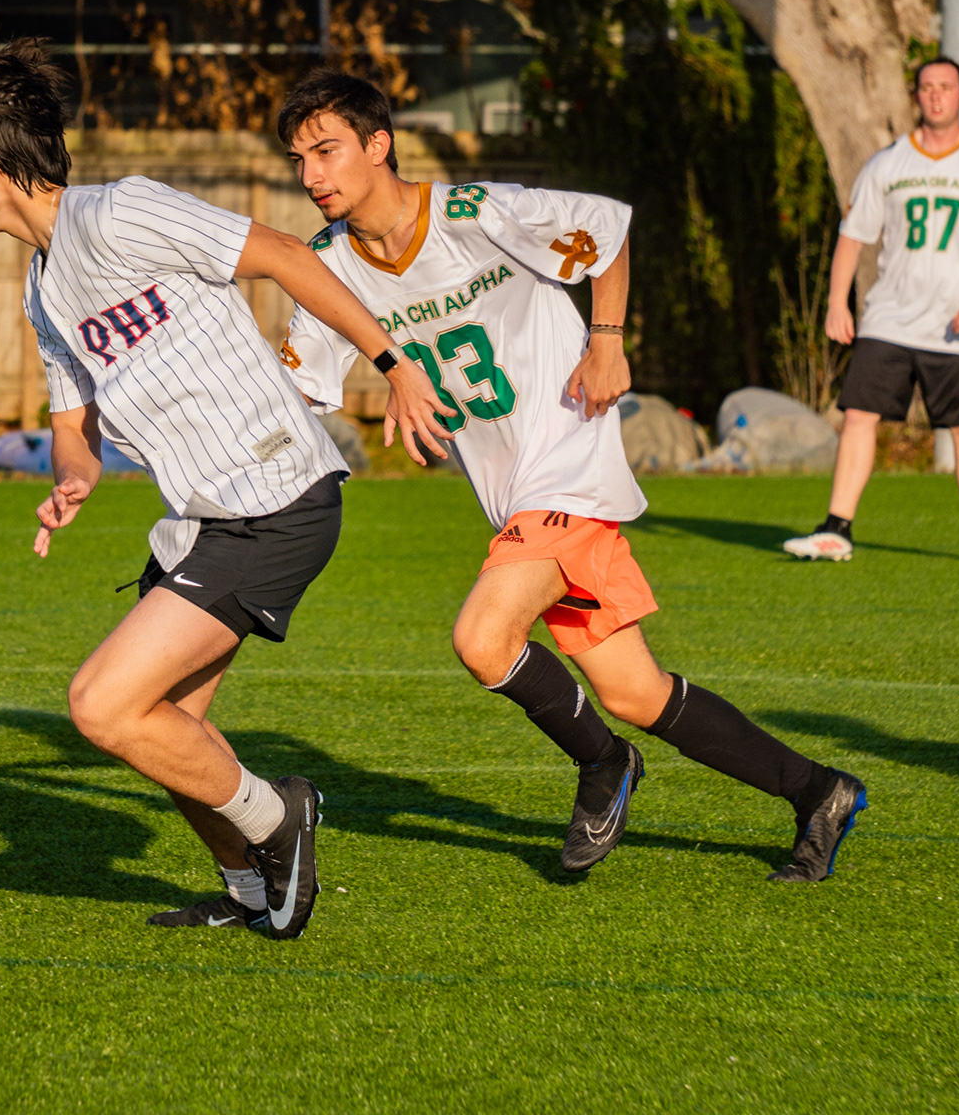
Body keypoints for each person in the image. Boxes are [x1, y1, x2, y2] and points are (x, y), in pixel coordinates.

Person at [0, 42, 456, 937]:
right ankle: (258, 895)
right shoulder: (43, 289)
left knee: (102, 704)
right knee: (169, 732)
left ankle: (282, 817)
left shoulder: (123, 212)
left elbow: (283, 254)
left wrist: (392, 362)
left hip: (275, 497)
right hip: (208, 518)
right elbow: (73, 427)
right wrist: (70, 484)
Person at [272, 68, 866, 883]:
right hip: (515, 497)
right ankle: (819, 790)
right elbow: (296, 388)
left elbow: (606, 229)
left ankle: (603, 766)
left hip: (570, 470)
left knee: (483, 639)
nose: (311, 176)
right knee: (634, 690)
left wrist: (608, 336)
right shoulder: (328, 264)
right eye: (298, 159)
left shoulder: (478, 213)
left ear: (378, 146)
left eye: (326, 151)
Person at [784, 56, 959, 566]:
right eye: (926, 87)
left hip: (957, 326)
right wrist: (837, 302)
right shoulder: (888, 163)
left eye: (946, 87)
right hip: (889, 320)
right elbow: (853, 238)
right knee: (858, 415)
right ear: (915, 97)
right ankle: (836, 530)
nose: (935, 95)